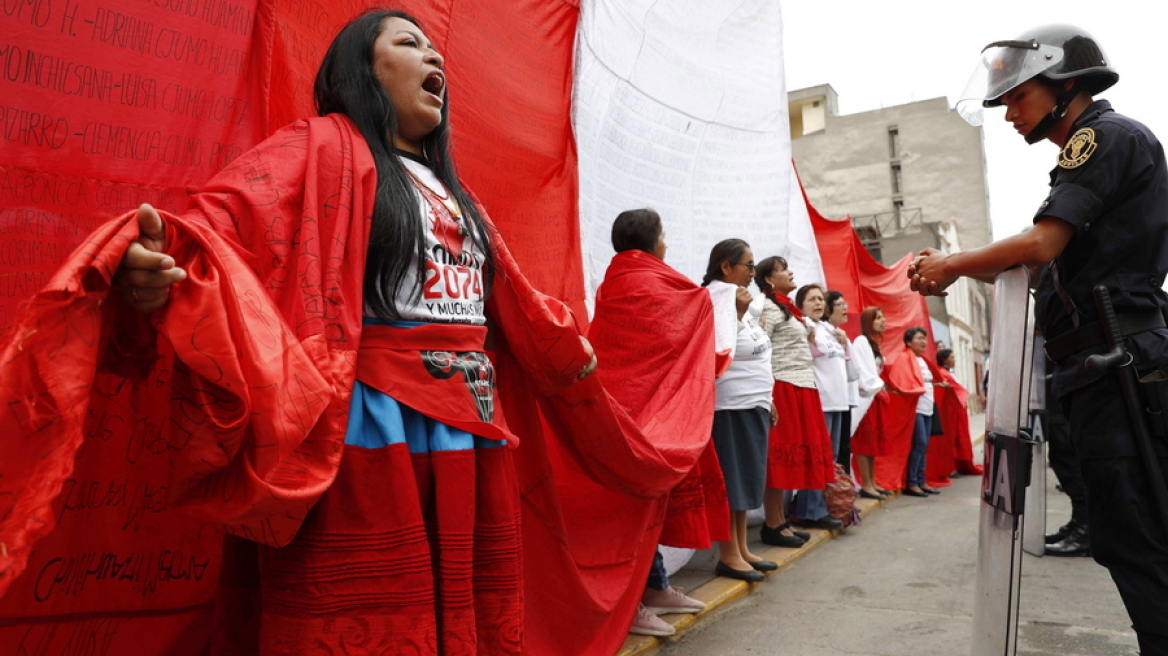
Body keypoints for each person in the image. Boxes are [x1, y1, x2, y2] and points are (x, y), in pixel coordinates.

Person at [0, 10, 607, 654]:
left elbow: (510, 294)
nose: (435, 59)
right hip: (368, 430)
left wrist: (567, 346)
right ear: (362, 72)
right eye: (409, 44)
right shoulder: (320, 145)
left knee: (458, 615)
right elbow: (227, 219)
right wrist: (160, 260)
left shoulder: (460, 194)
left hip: (469, 428)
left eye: (436, 49)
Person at [912, 24, 1168, 653]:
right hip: (1102, 362)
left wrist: (952, 262)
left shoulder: (1102, 138)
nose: (1009, 115)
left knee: (1137, 532)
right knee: (1132, 529)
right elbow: (1038, 265)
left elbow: (1041, 246)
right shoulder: (1090, 145)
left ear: (1067, 86)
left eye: (1018, 98)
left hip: (1119, 360)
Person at [591, 209, 715, 637]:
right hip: (643, 411)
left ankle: (656, 586)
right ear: (653, 241)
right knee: (633, 508)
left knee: (648, 502)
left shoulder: (614, 279)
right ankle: (632, 605)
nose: (667, 242)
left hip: (619, 407)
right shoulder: (657, 281)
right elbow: (689, 311)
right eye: (664, 235)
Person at [702, 239, 779, 583]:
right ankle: (728, 554)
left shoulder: (742, 298)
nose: (753, 271)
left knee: (746, 476)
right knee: (731, 480)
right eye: (748, 265)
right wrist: (734, 314)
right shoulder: (717, 296)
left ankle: (742, 547)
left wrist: (768, 397)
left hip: (752, 400)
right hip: (729, 403)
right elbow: (715, 347)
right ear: (726, 267)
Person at [754, 257, 833, 548]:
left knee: (788, 460)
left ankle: (781, 520)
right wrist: (768, 393)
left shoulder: (787, 308)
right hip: (784, 386)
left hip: (801, 385)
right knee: (779, 459)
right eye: (783, 270)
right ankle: (772, 524)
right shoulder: (768, 308)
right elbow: (761, 351)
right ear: (769, 280)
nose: (790, 272)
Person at [788, 284, 847, 530]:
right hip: (819, 401)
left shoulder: (828, 329)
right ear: (800, 304)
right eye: (811, 299)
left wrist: (845, 342)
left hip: (837, 401)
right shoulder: (803, 326)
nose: (818, 303)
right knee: (817, 457)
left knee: (829, 458)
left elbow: (848, 368)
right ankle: (810, 511)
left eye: (821, 299)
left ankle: (813, 507)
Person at [851, 307, 890, 500]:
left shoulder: (874, 344)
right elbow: (862, 373)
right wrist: (877, 386)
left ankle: (873, 483)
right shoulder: (860, 341)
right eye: (878, 317)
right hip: (866, 399)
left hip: (876, 398)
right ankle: (866, 484)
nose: (883, 321)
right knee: (864, 443)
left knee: (873, 443)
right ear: (868, 322)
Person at [901, 327, 938, 497]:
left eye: (924, 338)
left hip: (928, 406)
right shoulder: (906, 359)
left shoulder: (922, 360)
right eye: (919, 338)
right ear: (909, 342)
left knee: (925, 445)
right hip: (915, 408)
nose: (923, 342)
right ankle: (912, 482)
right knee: (920, 443)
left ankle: (922, 480)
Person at [825, 290, 858, 471]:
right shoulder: (819, 332)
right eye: (840, 304)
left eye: (846, 304)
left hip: (843, 400)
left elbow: (854, 372)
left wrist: (846, 345)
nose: (845, 308)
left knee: (839, 451)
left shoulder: (840, 334)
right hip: (827, 400)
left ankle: (837, 495)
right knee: (829, 451)